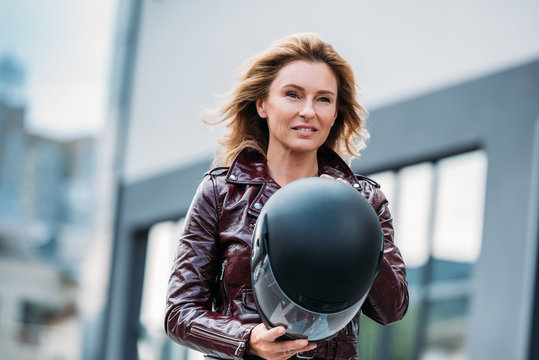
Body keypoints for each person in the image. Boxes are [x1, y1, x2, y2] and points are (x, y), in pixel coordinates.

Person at [165, 32, 409, 360]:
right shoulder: (220, 193)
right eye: (293, 95)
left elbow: (392, 310)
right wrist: (248, 339)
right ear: (262, 104)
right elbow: (179, 313)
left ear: (336, 113)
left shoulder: (364, 199)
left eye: (323, 99)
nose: (308, 111)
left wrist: (354, 221)